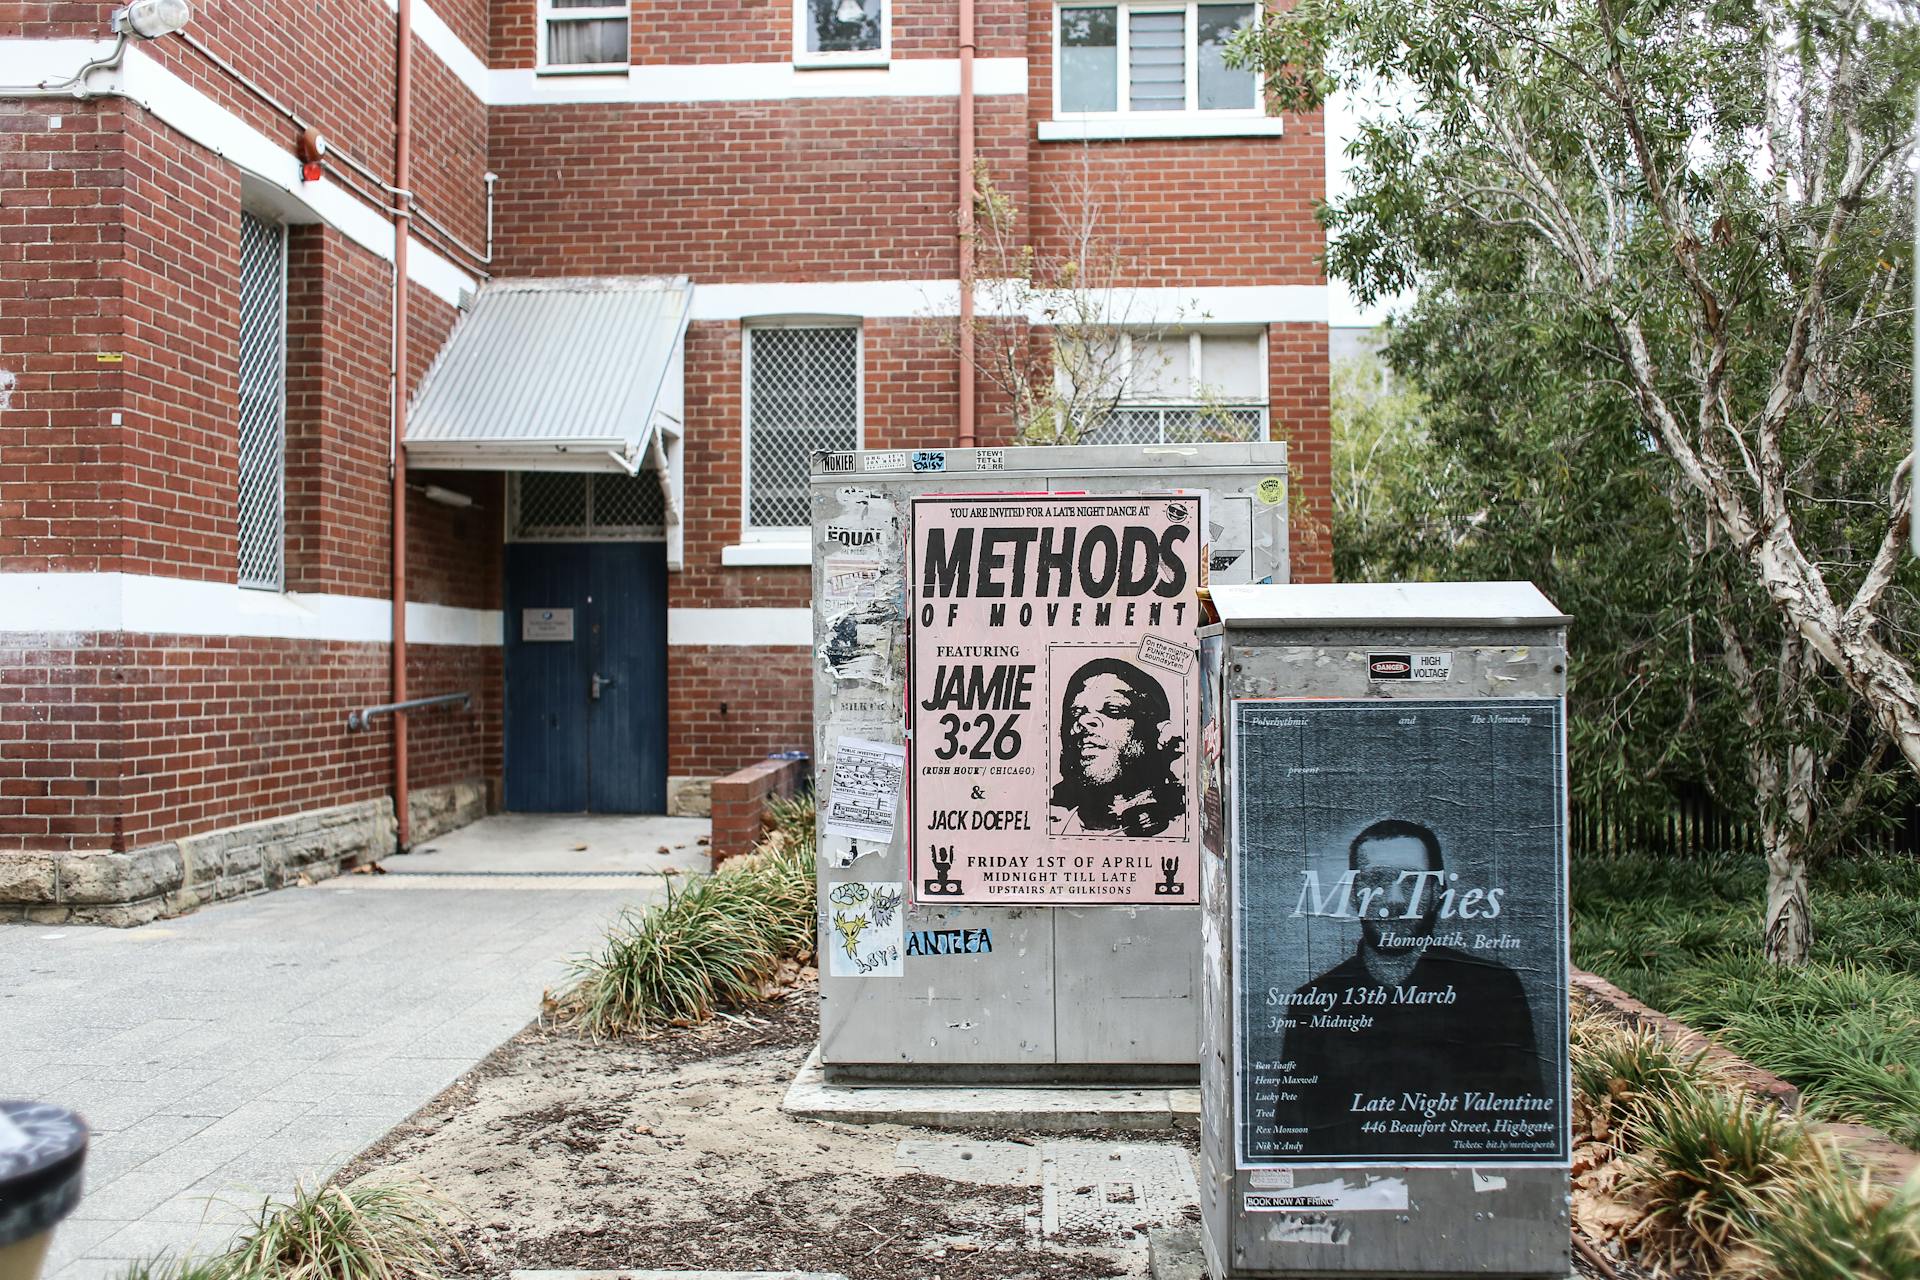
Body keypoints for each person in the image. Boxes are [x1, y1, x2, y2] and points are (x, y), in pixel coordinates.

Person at [1276, 819, 1548, 1158]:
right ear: (1353, 894)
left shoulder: (1493, 991)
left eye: (1411, 882)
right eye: (1375, 880)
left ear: (1438, 893)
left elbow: (1526, 1132)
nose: (1392, 899)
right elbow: (1291, 1148)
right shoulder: (1312, 1004)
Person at [1049, 657, 1186, 837]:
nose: (1083, 721)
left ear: (1159, 732)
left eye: (1113, 710)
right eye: (1076, 713)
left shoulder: (1184, 824)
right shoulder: (1052, 823)